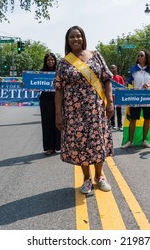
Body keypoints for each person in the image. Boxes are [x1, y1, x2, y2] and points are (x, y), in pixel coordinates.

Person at [54, 25, 114, 194]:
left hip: (96, 109)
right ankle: (87, 179)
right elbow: (58, 89)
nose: (76, 39)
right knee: (81, 145)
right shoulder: (64, 63)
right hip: (74, 112)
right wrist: (58, 114)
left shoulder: (96, 56)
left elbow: (107, 79)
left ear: (83, 38)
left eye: (78, 36)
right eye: (72, 37)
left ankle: (100, 176)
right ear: (67, 40)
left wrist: (110, 102)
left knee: (98, 142)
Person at [121, 49, 150, 149]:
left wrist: (149, 85)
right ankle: (130, 141)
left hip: (148, 98)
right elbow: (129, 84)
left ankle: (144, 140)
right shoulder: (133, 69)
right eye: (138, 56)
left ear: (146, 58)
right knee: (133, 119)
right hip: (135, 97)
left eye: (142, 55)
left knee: (147, 119)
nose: (139, 57)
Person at [39, 53, 61, 155]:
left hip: (59, 99)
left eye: (52, 59)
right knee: (47, 123)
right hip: (45, 101)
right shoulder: (40, 73)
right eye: (48, 60)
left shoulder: (59, 72)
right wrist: (25, 84)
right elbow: (34, 87)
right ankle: (49, 148)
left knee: (59, 122)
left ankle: (59, 146)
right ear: (45, 62)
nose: (50, 61)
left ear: (55, 60)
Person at [109, 64, 125, 131]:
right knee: (112, 111)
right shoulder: (109, 78)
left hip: (118, 97)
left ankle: (120, 125)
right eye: (112, 68)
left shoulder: (120, 77)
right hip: (111, 97)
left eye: (114, 68)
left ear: (116, 69)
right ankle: (112, 125)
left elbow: (122, 86)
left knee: (119, 112)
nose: (113, 69)